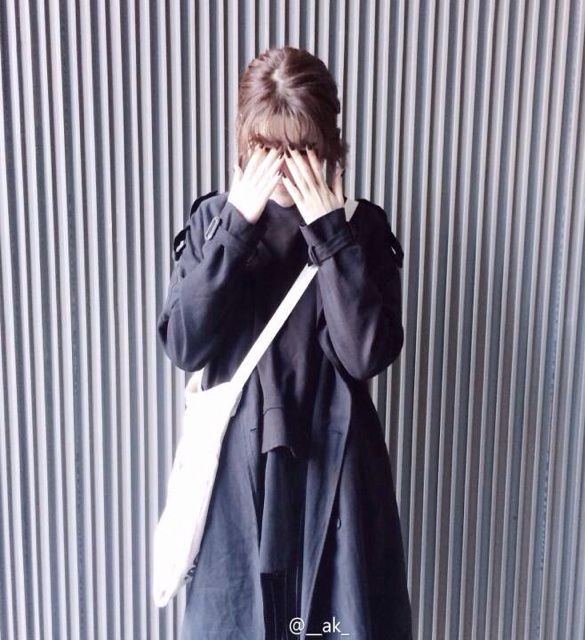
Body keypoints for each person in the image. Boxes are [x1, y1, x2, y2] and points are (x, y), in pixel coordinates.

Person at [157, 45, 412, 639]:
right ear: (244, 146)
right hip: (238, 479)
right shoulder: (214, 221)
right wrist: (235, 230)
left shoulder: (362, 228)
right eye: (266, 149)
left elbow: (367, 353)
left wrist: (330, 235)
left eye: (299, 150)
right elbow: (184, 344)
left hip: (339, 479)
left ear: (328, 147)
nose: (282, 168)